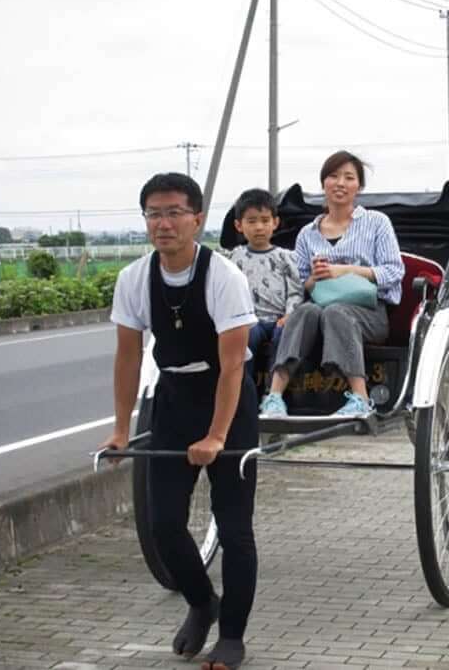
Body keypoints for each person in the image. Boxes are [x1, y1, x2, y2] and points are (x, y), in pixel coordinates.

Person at [102, 172, 258, 670]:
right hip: (171, 399)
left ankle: (232, 636)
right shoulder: (133, 279)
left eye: (173, 212)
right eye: (153, 213)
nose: (163, 223)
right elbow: (128, 358)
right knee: (163, 524)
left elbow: (233, 364)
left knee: (234, 529)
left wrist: (216, 435)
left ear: (197, 218)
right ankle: (201, 602)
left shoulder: (223, 276)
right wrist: (122, 429)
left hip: (227, 400)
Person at [260, 150, 405, 417]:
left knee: (337, 311)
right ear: (324, 183)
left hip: (369, 313)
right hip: (320, 308)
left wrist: (347, 271)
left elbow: (394, 271)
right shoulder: (307, 233)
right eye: (333, 176)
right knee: (305, 311)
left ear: (358, 187)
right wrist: (314, 278)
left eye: (349, 177)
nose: (340, 183)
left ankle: (360, 398)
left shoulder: (376, 223)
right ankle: (274, 397)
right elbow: (300, 282)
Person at [228, 188, 303, 386]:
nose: (259, 227)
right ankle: (245, 389)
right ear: (239, 225)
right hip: (250, 320)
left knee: (285, 337)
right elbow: (230, 292)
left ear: (275, 223)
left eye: (265, 220)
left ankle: (274, 390)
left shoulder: (286, 257)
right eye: (251, 221)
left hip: (280, 318)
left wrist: (289, 315)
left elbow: (296, 291)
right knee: (246, 339)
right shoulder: (236, 258)